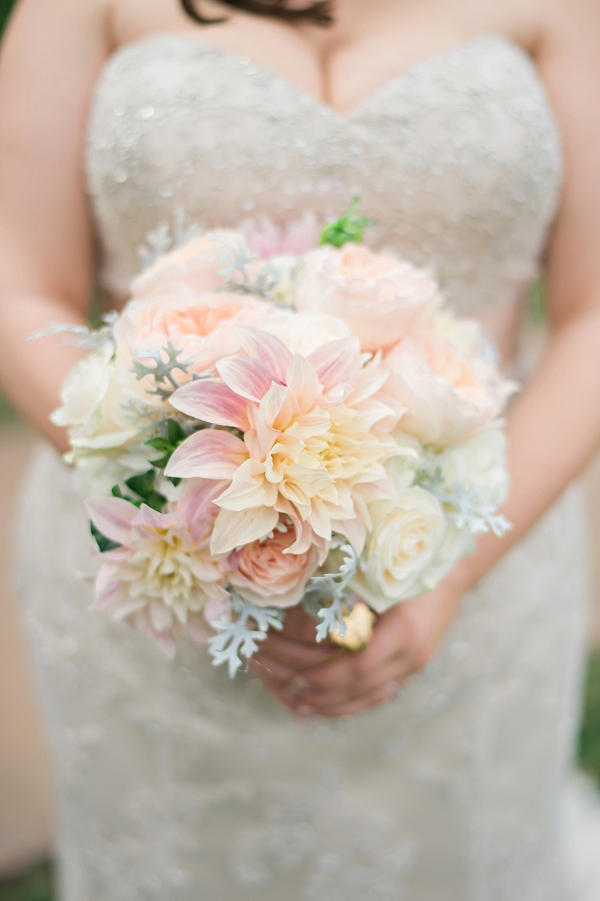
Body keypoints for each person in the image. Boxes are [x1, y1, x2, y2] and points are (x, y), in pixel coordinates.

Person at [1, 0, 600, 897]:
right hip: (159, 581)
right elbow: (18, 286)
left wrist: (449, 574)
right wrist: (189, 516)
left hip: (481, 562)